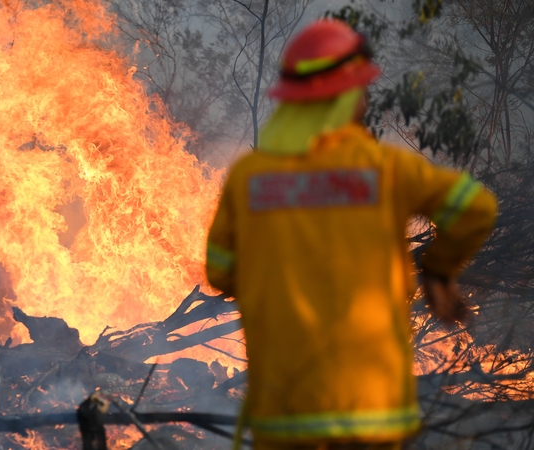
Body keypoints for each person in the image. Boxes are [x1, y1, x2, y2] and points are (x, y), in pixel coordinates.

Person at [205, 19, 497, 450]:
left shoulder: (249, 178)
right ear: (350, 98)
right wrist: (437, 273)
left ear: (292, 99)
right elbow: (476, 208)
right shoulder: (385, 169)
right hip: (373, 414)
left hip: (285, 419)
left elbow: (220, 271)